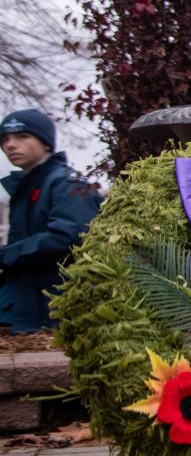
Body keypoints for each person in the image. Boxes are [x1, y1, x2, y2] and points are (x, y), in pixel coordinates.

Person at [1, 109, 102, 332]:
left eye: (22, 136)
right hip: (28, 309)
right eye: (5, 139)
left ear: (46, 143)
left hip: (56, 310)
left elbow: (71, 235)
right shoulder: (25, 187)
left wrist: (8, 255)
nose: (10, 145)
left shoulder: (68, 183)